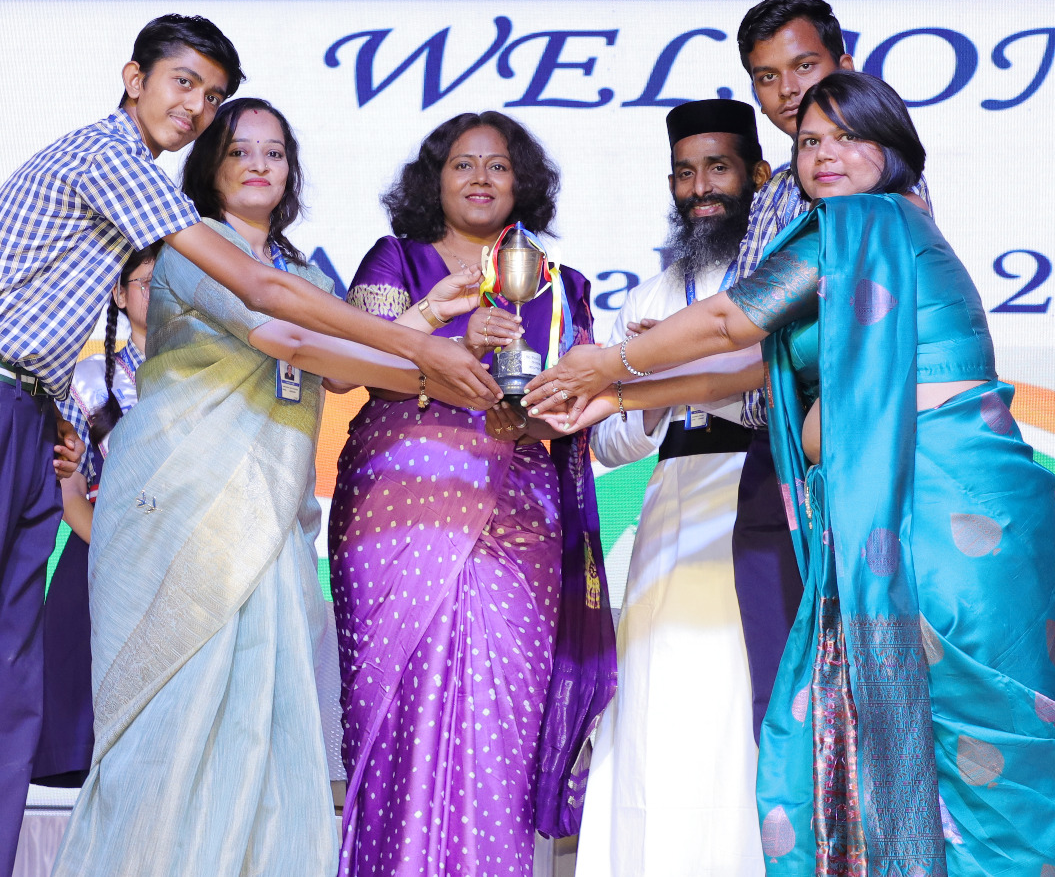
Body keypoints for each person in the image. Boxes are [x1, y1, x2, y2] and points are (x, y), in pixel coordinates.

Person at [0, 14, 496, 877]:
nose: (197, 108)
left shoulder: (178, 198)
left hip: (30, 414)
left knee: (6, 695)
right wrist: (421, 346)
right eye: (184, 85)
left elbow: (313, 342)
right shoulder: (116, 162)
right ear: (134, 78)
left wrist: (424, 341)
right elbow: (265, 297)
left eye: (213, 96)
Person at [526, 70, 1055, 876]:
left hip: (945, 508)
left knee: (966, 744)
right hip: (912, 507)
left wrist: (607, 361)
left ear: (893, 150)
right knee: (911, 734)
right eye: (811, 140)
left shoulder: (866, 222)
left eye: (849, 138)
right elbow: (760, 365)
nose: (825, 154)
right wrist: (616, 395)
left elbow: (732, 318)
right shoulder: (867, 233)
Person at [50, 98, 480, 875]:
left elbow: (339, 371)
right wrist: (426, 357)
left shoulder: (304, 274)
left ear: (290, 170)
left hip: (272, 518)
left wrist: (426, 322)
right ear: (211, 167)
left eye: (274, 152)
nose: (258, 164)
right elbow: (287, 337)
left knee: (265, 725)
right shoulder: (195, 248)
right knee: (168, 723)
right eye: (240, 150)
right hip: (177, 508)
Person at [329, 110, 613, 877]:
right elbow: (346, 370)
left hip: (519, 518)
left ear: (523, 182)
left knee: (498, 718)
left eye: (498, 165)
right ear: (435, 179)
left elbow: (573, 408)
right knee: (402, 710)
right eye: (463, 164)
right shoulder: (397, 261)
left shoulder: (560, 287)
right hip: (401, 507)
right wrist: (451, 342)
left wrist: (544, 402)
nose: (481, 178)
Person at [576, 99, 768, 877]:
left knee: (737, 702)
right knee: (659, 706)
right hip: (669, 508)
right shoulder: (650, 296)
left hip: (759, 496)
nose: (702, 189)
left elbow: (774, 395)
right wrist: (649, 399)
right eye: (686, 174)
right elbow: (609, 444)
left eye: (718, 168)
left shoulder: (777, 281)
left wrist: (667, 368)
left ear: (758, 175)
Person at [728, 0, 855, 738]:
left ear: (844, 63)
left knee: (858, 682)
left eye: (804, 66)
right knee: (779, 694)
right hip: (767, 452)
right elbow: (747, 337)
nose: (786, 91)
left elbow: (737, 321)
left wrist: (619, 371)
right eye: (766, 77)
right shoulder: (775, 188)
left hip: (848, 451)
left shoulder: (874, 180)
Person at [31, 242, 160, 789]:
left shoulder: (206, 381)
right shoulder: (87, 381)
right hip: (101, 562)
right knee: (97, 753)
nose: (160, 293)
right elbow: (70, 494)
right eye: (148, 282)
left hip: (186, 563)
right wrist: (120, 554)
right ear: (119, 293)